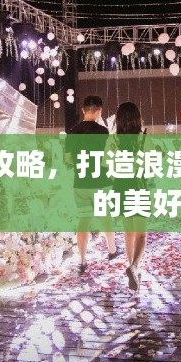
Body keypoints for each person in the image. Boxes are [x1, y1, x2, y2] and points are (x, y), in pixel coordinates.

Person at [64, 95, 120, 275]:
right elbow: (107, 158)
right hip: (101, 182)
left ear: (83, 110)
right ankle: (112, 250)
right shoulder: (103, 132)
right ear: (99, 111)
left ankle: (82, 261)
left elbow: (68, 159)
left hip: (80, 182)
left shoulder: (73, 132)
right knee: (105, 217)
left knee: (84, 220)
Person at [110, 102, 148, 291]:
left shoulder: (113, 140)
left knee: (128, 233)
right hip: (138, 185)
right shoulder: (143, 138)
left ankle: (132, 266)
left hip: (120, 186)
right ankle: (134, 266)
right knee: (141, 234)